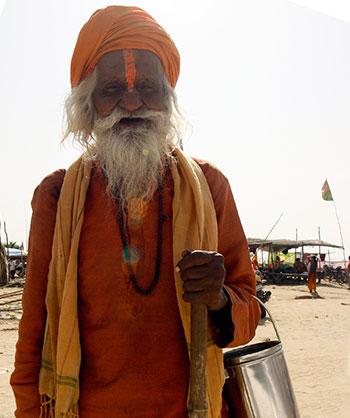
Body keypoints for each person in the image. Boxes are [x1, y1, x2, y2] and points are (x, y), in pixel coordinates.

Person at [10, 6, 260, 418]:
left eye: (147, 86)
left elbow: (247, 316)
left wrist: (218, 299)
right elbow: (33, 336)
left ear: (167, 99)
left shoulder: (210, 188)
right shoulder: (56, 198)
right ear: (88, 105)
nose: (131, 101)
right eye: (111, 90)